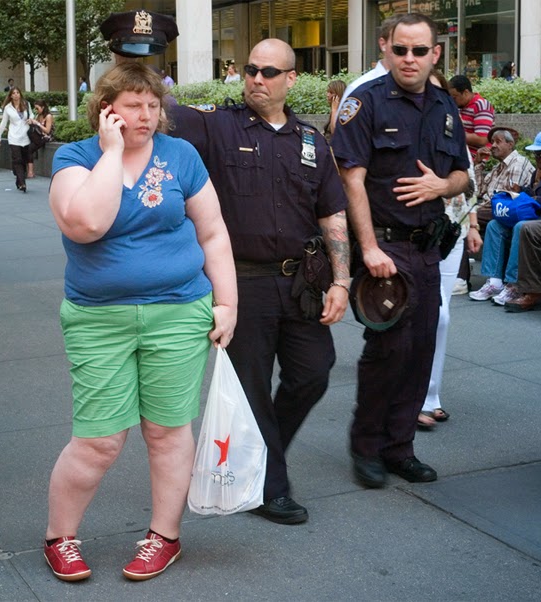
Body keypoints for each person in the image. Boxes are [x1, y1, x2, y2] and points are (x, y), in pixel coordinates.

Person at [43, 62, 237, 583]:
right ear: (105, 109)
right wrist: (111, 153)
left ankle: (163, 537)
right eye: (133, 105)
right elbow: (87, 224)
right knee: (99, 439)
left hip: (178, 311)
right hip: (97, 319)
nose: (146, 116)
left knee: (168, 431)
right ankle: (60, 536)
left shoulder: (182, 156)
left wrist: (227, 303)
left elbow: (213, 232)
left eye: (153, 105)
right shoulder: (75, 157)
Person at [171, 38, 351, 525]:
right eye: (251, 69)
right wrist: (137, 51)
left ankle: (260, 452)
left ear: (291, 79)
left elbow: (332, 212)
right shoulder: (215, 125)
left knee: (313, 371)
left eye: (270, 72)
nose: (257, 78)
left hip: (301, 284)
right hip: (243, 284)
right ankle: (272, 487)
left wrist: (342, 281)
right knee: (250, 387)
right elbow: (160, 106)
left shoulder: (312, 141)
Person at [332, 12, 470, 488]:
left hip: (428, 247)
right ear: (385, 48)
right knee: (388, 351)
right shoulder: (365, 103)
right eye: (401, 49)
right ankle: (366, 447)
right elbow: (351, 179)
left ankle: (400, 447)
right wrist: (366, 247)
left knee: (420, 351)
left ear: (435, 54)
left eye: (419, 51)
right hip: (385, 249)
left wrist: (441, 185)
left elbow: (463, 175)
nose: (409, 59)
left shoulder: (444, 105)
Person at [418, 71, 482, 430]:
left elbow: (469, 179)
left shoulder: (452, 126)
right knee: (427, 315)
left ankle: (431, 394)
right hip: (415, 234)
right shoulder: (403, 122)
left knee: (441, 318)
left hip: (452, 232)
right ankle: (409, 395)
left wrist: (472, 226)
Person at [470, 130, 541, 305]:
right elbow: (477, 191)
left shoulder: (519, 164)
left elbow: (538, 200)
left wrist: (536, 199)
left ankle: (513, 283)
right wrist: (524, 191)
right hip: (533, 215)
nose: (537, 158)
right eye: (535, 154)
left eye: (540, 154)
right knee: (495, 225)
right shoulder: (539, 172)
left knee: (521, 226)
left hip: (538, 218)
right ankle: (494, 281)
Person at [474, 126, 535, 229]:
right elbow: (478, 192)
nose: (493, 145)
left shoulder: (518, 163)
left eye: (498, 141)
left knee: (468, 217)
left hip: (505, 210)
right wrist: (478, 164)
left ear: (510, 145)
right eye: (492, 142)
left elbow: (509, 198)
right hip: (489, 208)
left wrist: (477, 209)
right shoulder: (497, 168)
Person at [336, 15, 398, 115]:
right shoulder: (358, 90)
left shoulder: (426, 89)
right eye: (399, 46)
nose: (409, 55)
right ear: (383, 44)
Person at [0, 87, 33, 192]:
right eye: (14, 93)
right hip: (13, 137)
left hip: (25, 136)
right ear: (11, 95)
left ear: (20, 94)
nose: (16, 95)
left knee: (24, 159)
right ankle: (22, 183)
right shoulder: (8, 108)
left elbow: (32, 114)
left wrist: (31, 119)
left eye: (17, 92)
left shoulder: (26, 104)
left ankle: (19, 180)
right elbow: (3, 123)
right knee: (17, 160)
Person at [448, 74, 494, 160]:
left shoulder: (481, 105)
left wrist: (453, 134)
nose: (452, 101)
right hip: (460, 153)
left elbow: (482, 139)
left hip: (477, 157)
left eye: (454, 98)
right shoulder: (459, 107)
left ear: (465, 92)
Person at [27, 99, 55, 178]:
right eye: (35, 108)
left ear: (43, 107)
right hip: (39, 136)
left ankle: (31, 171)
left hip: (47, 137)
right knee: (29, 146)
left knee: (30, 148)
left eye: (37, 108)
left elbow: (47, 130)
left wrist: (38, 123)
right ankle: (30, 171)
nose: (36, 110)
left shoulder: (48, 116)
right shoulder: (38, 116)